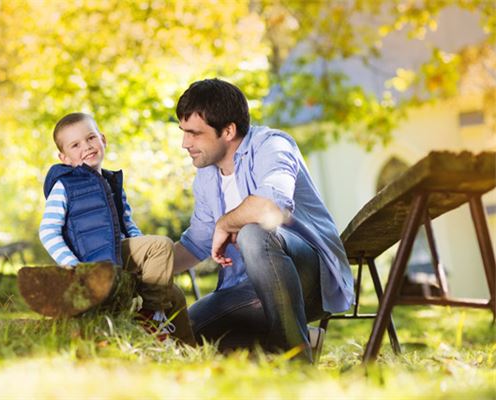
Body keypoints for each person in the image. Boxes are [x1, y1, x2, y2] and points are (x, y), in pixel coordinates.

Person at [172, 79, 354, 362]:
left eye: (194, 133)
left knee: (254, 233)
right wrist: (143, 269)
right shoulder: (207, 176)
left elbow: (271, 205)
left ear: (228, 130)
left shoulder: (273, 146)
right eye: (184, 132)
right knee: (184, 333)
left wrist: (225, 223)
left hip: (306, 275)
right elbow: (195, 244)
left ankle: (294, 356)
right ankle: (297, 340)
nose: (185, 143)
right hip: (246, 288)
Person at [38, 112, 194, 344]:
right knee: (162, 245)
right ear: (65, 157)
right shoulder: (65, 186)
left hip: (118, 251)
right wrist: (72, 265)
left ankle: (188, 350)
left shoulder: (111, 182)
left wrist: (144, 255)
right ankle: (149, 320)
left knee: (174, 294)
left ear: (103, 139)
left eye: (91, 138)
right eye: (76, 145)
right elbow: (48, 231)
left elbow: (128, 225)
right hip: (93, 259)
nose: (87, 146)